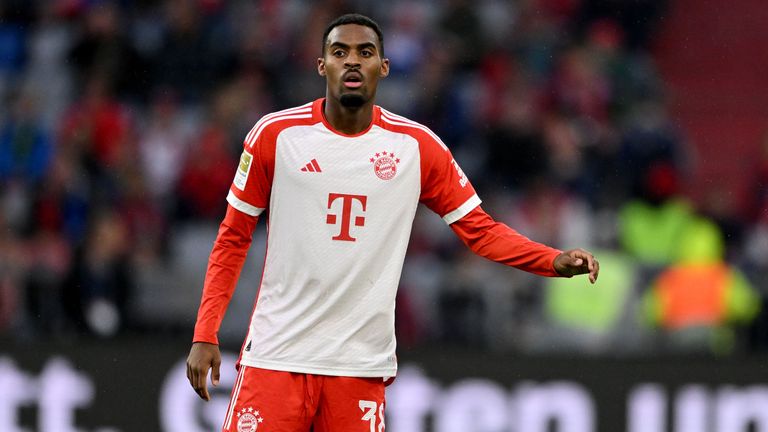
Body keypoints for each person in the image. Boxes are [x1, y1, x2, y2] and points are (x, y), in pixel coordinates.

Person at [186, 13, 599, 432]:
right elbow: (233, 237)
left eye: (365, 53)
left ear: (383, 67)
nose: (352, 62)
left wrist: (551, 260)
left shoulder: (416, 148)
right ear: (321, 64)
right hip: (276, 356)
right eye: (339, 51)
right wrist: (206, 333)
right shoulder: (275, 135)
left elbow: (480, 231)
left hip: (359, 366)